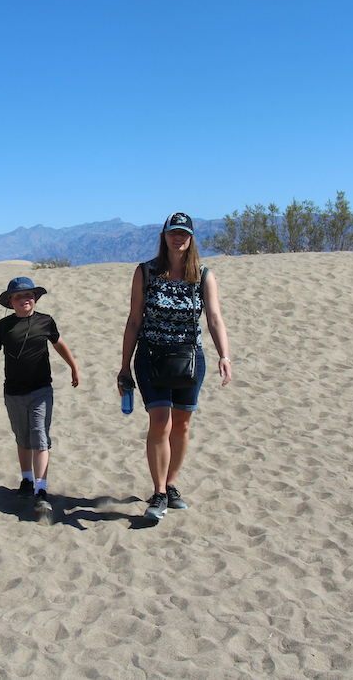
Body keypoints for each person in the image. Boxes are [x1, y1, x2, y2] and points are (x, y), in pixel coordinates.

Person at [118, 213, 232, 523]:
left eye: (183, 233)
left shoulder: (203, 275)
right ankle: (158, 492)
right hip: (151, 356)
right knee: (161, 422)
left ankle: (170, 485)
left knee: (182, 424)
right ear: (164, 236)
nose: (178, 238)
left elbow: (214, 318)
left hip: (189, 359)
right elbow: (134, 319)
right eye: (173, 233)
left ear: (191, 238)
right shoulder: (146, 272)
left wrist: (224, 355)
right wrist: (124, 365)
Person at [0, 277, 80, 520]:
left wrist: (73, 366)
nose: (25, 299)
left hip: (41, 390)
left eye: (29, 294)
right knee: (22, 437)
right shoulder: (3, 326)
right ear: (10, 301)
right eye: (19, 296)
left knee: (40, 437)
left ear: (35, 298)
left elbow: (59, 343)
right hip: (13, 392)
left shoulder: (46, 321)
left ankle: (41, 490)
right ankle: (27, 480)